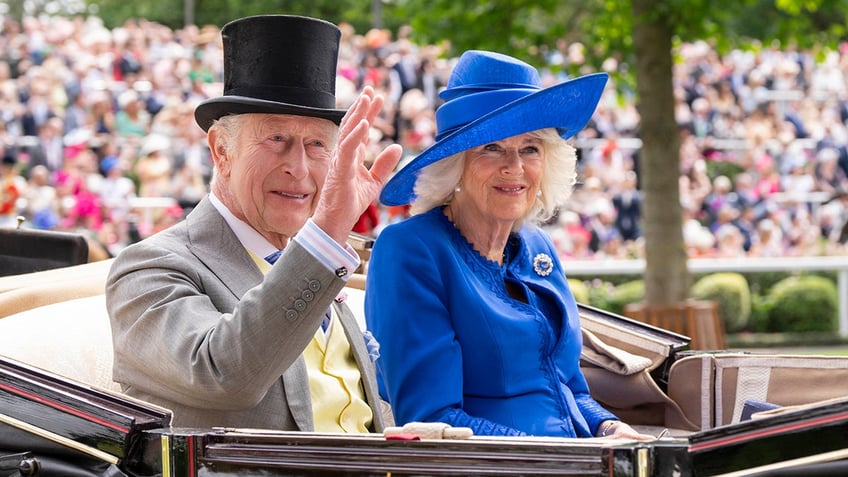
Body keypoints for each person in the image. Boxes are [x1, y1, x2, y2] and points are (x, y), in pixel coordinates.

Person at [105, 15, 402, 432]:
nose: (298, 169)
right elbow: (224, 376)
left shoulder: (325, 255)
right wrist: (326, 234)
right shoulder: (151, 267)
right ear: (221, 150)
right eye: (276, 140)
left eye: (317, 144)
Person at [365, 50, 653, 439]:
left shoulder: (537, 247)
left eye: (530, 148)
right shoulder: (410, 249)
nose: (514, 167)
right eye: (491, 148)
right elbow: (431, 419)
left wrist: (609, 427)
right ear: (456, 164)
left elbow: (568, 387)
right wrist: (556, 456)